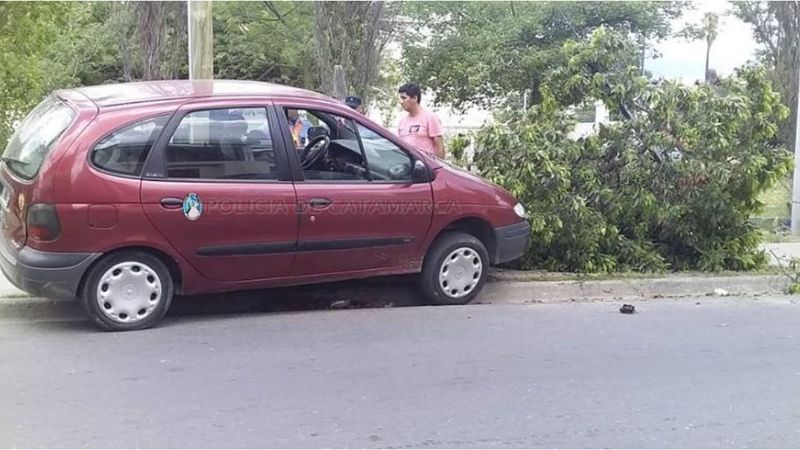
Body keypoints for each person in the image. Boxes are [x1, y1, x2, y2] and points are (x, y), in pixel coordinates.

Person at [396, 83, 445, 158]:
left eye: (404, 98)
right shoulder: (402, 122)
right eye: (400, 98)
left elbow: (439, 146)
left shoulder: (430, 117)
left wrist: (438, 164)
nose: (401, 102)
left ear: (415, 98)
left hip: (425, 164)